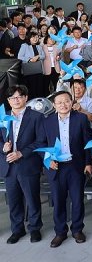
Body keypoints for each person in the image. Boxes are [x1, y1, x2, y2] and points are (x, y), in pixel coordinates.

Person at [42, 90, 92, 247]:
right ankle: (60, 232)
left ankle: (77, 229)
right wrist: (48, 160)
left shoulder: (81, 119)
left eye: (66, 101)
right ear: (54, 105)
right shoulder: (47, 121)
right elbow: (41, 143)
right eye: (59, 102)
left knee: (77, 200)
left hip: (75, 166)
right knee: (58, 200)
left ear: (71, 102)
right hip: (56, 167)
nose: (63, 105)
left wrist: (88, 163)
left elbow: (88, 143)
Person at [0, 85, 45, 244]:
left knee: (32, 199)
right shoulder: (3, 116)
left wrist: (21, 153)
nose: (16, 100)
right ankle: (17, 229)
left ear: (26, 98)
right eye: (12, 98)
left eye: (19, 97)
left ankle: (35, 228)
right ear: (8, 100)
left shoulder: (36, 117)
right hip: (8, 165)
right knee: (13, 200)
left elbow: (41, 141)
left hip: (28, 163)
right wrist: (3, 147)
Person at [17, 31, 47, 98]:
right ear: (29, 38)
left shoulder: (39, 46)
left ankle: (39, 100)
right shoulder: (24, 45)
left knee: (39, 87)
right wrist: (29, 59)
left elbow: (43, 56)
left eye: (36, 37)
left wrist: (38, 56)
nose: (35, 39)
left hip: (38, 69)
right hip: (29, 70)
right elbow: (19, 56)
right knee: (31, 87)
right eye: (33, 37)